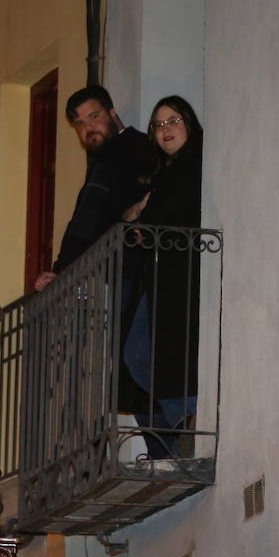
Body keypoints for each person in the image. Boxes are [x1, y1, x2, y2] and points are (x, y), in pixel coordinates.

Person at [121, 96, 204, 458]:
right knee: (136, 355)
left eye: (173, 121)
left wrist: (141, 217)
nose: (166, 129)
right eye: (158, 124)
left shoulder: (195, 162)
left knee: (157, 354)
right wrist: (137, 216)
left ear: (188, 123)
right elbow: (135, 222)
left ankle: (188, 418)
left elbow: (161, 216)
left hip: (182, 274)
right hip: (160, 275)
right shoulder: (162, 174)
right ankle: (183, 418)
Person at [32, 85, 151, 291]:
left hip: (143, 272)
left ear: (112, 113)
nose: (88, 127)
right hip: (121, 273)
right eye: (80, 123)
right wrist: (61, 271)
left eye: (94, 116)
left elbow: (88, 221)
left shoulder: (142, 149)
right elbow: (86, 221)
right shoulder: (103, 161)